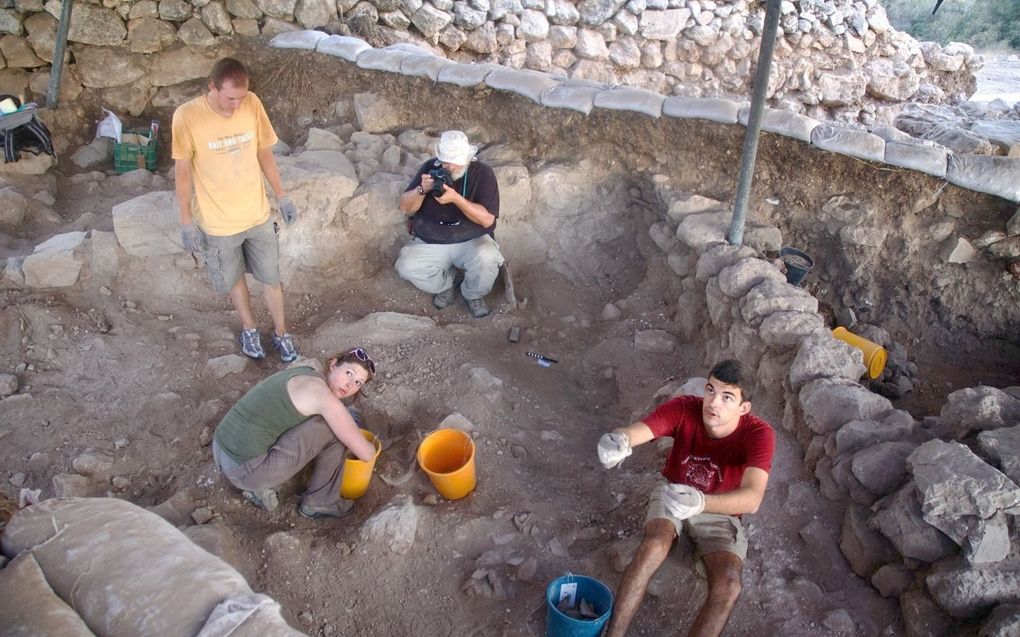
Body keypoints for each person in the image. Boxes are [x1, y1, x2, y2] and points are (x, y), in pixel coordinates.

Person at [598, 359, 776, 637]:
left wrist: (703, 503)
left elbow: (752, 498)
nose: (713, 402)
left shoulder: (758, 433)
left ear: (744, 408)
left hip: (720, 508)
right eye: (711, 390)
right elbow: (640, 430)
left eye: (727, 397)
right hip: (674, 489)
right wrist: (618, 440)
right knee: (655, 543)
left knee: (729, 586)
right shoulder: (684, 408)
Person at [172, 57, 300, 362]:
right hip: (218, 223)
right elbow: (183, 172)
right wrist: (186, 221)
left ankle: (281, 333)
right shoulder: (187, 117)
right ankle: (249, 328)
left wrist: (282, 197)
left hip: (256, 214)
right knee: (234, 279)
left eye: (241, 98)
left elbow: (263, 152)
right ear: (212, 88)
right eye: (230, 98)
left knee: (271, 277)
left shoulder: (252, 104)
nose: (236, 105)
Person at [211, 348, 379, 519]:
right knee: (334, 431)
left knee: (328, 422)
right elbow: (366, 454)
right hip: (244, 472)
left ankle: (264, 485)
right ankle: (321, 502)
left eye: (359, 382)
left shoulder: (307, 372)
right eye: (349, 373)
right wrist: (372, 446)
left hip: (220, 449)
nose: (350, 385)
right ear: (334, 364)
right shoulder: (324, 398)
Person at [396, 130, 504, 318]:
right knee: (406, 265)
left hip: (471, 240)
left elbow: (487, 219)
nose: (448, 167)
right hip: (432, 241)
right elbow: (405, 207)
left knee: (488, 257)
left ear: (467, 158)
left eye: (454, 162)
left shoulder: (483, 173)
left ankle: (473, 294)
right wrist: (422, 189)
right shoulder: (431, 168)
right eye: (445, 161)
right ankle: (446, 284)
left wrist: (457, 200)